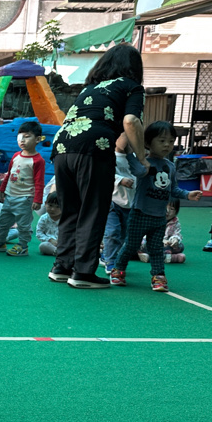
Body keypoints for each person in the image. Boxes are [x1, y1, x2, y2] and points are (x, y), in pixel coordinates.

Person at [49, 43, 147, 289]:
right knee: (93, 210)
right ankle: (83, 272)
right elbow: (131, 121)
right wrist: (142, 157)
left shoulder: (90, 88)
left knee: (70, 209)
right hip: (94, 147)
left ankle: (62, 267)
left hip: (62, 147)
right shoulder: (132, 87)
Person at [110, 122, 201, 292]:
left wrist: (187, 194)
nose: (167, 145)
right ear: (148, 143)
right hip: (140, 213)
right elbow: (136, 169)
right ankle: (118, 270)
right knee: (131, 245)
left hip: (159, 217)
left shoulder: (170, 166)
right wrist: (129, 151)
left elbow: (173, 189)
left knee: (156, 248)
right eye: (162, 140)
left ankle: (158, 276)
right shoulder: (144, 162)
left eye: (171, 141)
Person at [0, 121, 45, 257]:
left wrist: (37, 200)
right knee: (3, 222)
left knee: (23, 225)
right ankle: (0, 242)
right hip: (9, 196)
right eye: (20, 137)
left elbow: (39, 182)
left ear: (37, 139)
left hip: (25, 198)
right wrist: (2, 190)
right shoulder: (16, 156)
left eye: (27, 136)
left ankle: (23, 246)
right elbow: (9, 174)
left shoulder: (38, 161)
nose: (22, 140)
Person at [103, 137, 140, 273]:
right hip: (112, 202)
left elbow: (140, 174)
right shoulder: (109, 156)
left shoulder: (134, 158)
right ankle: (111, 261)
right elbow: (103, 173)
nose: (129, 140)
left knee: (124, 235)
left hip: (129, 204)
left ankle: (107, 254)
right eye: (125, 136)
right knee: (113, 231)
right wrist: (120, 180)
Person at [138, 199, 184, 264]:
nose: (167, 211)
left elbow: (176, 233)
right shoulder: (153, 218)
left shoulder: (175, 222)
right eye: (164, 207)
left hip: (165, 246)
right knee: (140, 244)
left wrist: (174, 240)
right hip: (150, 244)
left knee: (181, 246)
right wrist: (161, 240)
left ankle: (147, 256)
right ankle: (169, 258)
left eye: (171, 209)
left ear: (176, 211)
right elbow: (146, 235)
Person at [36, 192, 62, 256]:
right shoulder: (43, 218)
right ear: (45, 204)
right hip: (50, 243)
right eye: (50, 205)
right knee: (43, 246)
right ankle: (58, 252)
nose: (52, 209)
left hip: (63, 243)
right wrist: (50, 240)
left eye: (57, 207)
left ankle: (62, 252)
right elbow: (39, 233)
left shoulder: (66, 219)